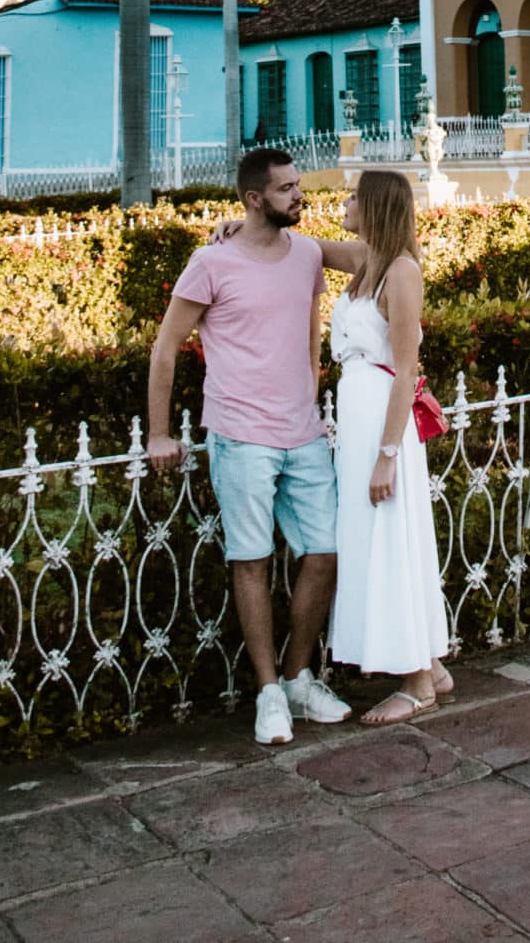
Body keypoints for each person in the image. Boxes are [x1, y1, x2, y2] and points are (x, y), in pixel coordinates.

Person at [146, 147, 351, 747]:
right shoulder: (211, 263)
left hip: (303, 432)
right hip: (239, 435)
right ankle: (267, 693)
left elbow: (379, 255)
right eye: (286, 189)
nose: (299, 195)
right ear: (253, 199)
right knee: (251, 559)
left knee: (326, 551)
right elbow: (165, 348)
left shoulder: (308, 253)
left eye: (298, 185)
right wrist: (159, 432)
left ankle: (296, 679)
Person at [325, 168, 452, 725]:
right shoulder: (364, 262)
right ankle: (430, 661)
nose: (345, 202)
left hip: (383, 425)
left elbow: (405, 373)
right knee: (377, 541)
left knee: (393, 541)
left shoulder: (400, 272)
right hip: (357, 423)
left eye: (354, 196)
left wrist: (387, 454)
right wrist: (243, 225)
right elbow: (311, 249)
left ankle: (418, 683)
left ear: (374, 206)